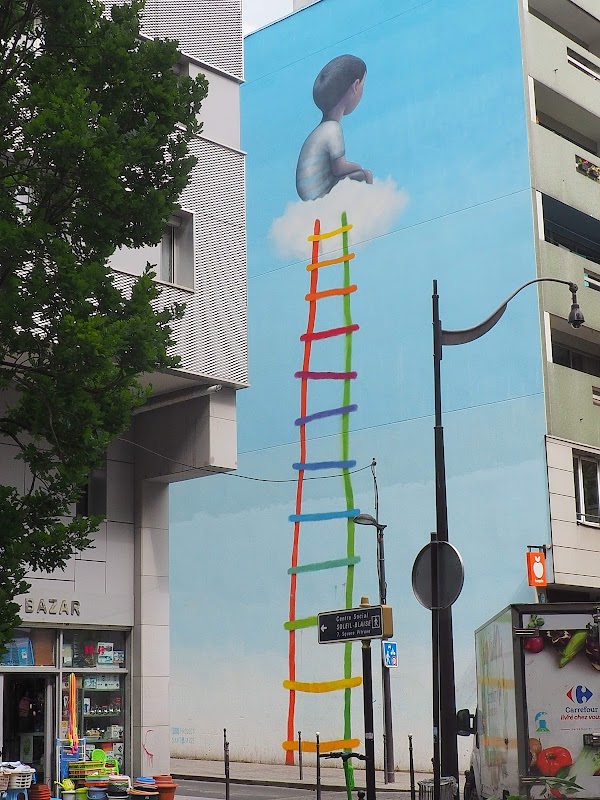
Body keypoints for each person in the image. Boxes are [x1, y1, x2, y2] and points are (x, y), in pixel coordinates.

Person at [296, 54, 373, 201]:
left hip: (310, 194)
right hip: (320, 193)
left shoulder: (318, 131)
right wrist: (357, 166)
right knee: (365, 175)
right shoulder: (333, 128)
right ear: (355, 87)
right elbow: (339, 168)